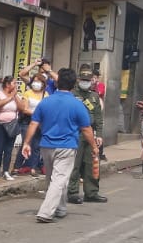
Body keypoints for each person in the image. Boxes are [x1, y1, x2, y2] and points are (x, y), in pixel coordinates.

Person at [17, 68, 99, 223]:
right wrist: (94, 146)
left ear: (57, 82)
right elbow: (86, 129)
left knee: (53, 179)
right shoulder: (77, 105)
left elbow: (34, 123)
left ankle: (60, 208)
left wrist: (26, 143)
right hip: (66, 147)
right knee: (59, 179)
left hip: (46, 146)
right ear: (73, 84)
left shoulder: (45, 102)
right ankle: (46, 212)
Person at [68, 68, 108, 204]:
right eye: (83, 80)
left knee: (92, 164)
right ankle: (72, 192)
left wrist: (100, 135)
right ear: (78, 80)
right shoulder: (72, 94)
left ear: (92, 81)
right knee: (75, 164)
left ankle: (91, 192)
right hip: (76, 133)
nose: (85, 82)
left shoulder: (94, 96)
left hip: (90, 134)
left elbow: (98, 118)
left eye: (88, 80)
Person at [0, 77, 20, 181]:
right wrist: (11, 96)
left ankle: (6, 171)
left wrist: (15, 96)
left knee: (9, 149)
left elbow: (21, 107)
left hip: (12, 125)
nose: (15, 85)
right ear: (7, 84)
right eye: (14, 83)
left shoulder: (16, 95)